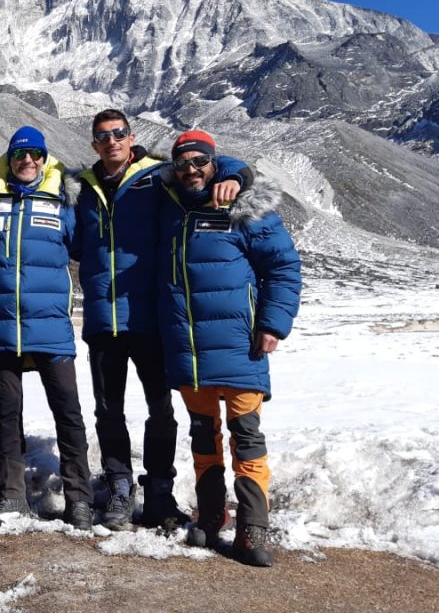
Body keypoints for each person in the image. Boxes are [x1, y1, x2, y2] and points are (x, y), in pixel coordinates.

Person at [71, 110, 252, 531]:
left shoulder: (159, 175)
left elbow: (210, 165)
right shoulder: (82, 186)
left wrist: (237, 178)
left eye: (118, 134)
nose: (111, 141)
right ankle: (118, 487)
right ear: (94, 143)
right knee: (107, 409)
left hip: (151, 315)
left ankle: (159, 491)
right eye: (102, 136)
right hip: (103, 317)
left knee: (160, 408)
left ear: (131, 137)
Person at [157, 130, 301, 567]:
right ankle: (211, 516)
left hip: (240, 348)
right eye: (183, 164)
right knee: (203, 437)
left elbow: (283, 266)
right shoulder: (170, 207)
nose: (191, 170)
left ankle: (252, 529)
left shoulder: (243, 207)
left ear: (213, 163)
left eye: (200, 162)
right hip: (190, 351)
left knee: (247, 441)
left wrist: (274, 324)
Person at [0, 126, 94, 530]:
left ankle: (79, 498)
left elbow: (86, 247)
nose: (28, 161)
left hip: (51, 327)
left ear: (45, 159)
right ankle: (12, 495)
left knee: (68, 414)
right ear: (9, 159)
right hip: (3, 328)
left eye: (36, 155)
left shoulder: (63, 202)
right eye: (21, 155)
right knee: (8, 415)